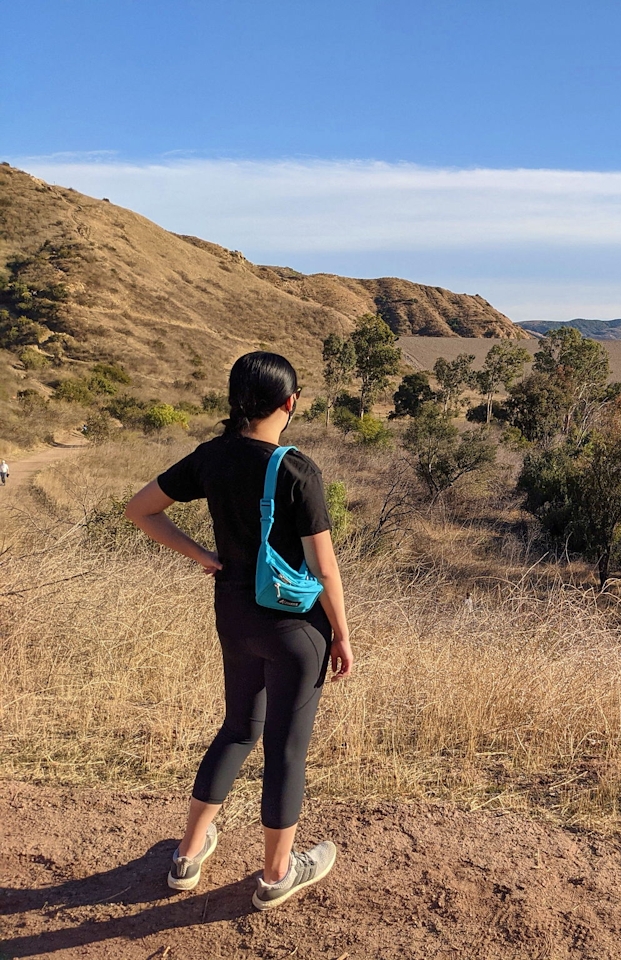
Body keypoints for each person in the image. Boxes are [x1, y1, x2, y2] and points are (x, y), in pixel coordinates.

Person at [125, 351, 354, 911]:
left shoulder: (211, 458)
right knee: (285, 748)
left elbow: (141, 509)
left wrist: (204, 554)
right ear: (290, 403)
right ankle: (278, 874)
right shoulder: (296, 468)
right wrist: (343, 634)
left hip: (233, 617)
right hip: (295, 629)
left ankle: (187, 855)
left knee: (237, 729)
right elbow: (324, 569)